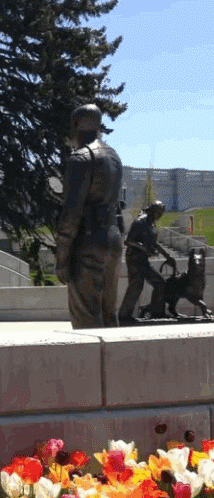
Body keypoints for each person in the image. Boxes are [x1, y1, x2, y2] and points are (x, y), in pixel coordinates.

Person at [55, 104, 124, 329]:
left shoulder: (80, 158)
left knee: (86, 318)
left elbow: (71, 214)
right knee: (109, 314)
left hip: (88, 241)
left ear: (76, 126)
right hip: (113, 239)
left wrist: (62, 257)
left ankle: (90, 364)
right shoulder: (114, 157)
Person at [118, 201, 175, 322]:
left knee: (160, 283)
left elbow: (154, 243)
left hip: (143, 260)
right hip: (134, 260)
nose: (160, 215)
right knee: (136, 287)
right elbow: (129, 241)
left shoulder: (151, 224)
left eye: (162, 213)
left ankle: (157, 313)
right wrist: (145, 249)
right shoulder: (140, 222)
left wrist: (167, 256)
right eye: (159, 212)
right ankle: (123, 317)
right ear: (153, 210)